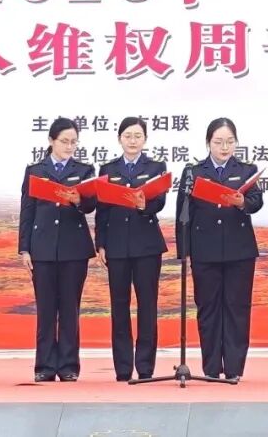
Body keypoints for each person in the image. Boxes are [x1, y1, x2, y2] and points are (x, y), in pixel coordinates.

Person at [175, 118, 263, 382]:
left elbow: (256, 202)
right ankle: (212, 368)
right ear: (208, 143)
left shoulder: (246, 169)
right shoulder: (193, 172)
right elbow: (182, 213)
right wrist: (184, 252)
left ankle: (234, 368)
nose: (224, 147)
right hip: (205, 250)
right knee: (208, 308)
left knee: (237, 308)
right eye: (218, 142)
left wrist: (242, 201)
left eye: (229, 142)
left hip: (240, 250)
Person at [18, 117, 97, 382]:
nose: (69, 146)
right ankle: (44, 366)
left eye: (74, 142)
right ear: (51, 140)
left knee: (69, 308)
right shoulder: (35, 170)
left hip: (74, 249)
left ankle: (68, 366)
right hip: (41, 248)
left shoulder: (84, 170)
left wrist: (79, 199)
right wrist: (24, 249)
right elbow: (27, 211)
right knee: (46, 309)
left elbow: (91, 205)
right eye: (64, 141)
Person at [95, 117, 168, 382]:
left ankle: (145, 367)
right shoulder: (108, 168)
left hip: (147, 245)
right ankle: (123, 367)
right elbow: (102, 210)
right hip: (116, 245)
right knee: (119, 306)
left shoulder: (156, 167)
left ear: (145, 139)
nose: (133, 140)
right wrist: (100, 243)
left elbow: (160, 201)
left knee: (147, 306)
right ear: (119, 139)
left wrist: (144, 205)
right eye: (128, 136)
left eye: (138, 136)